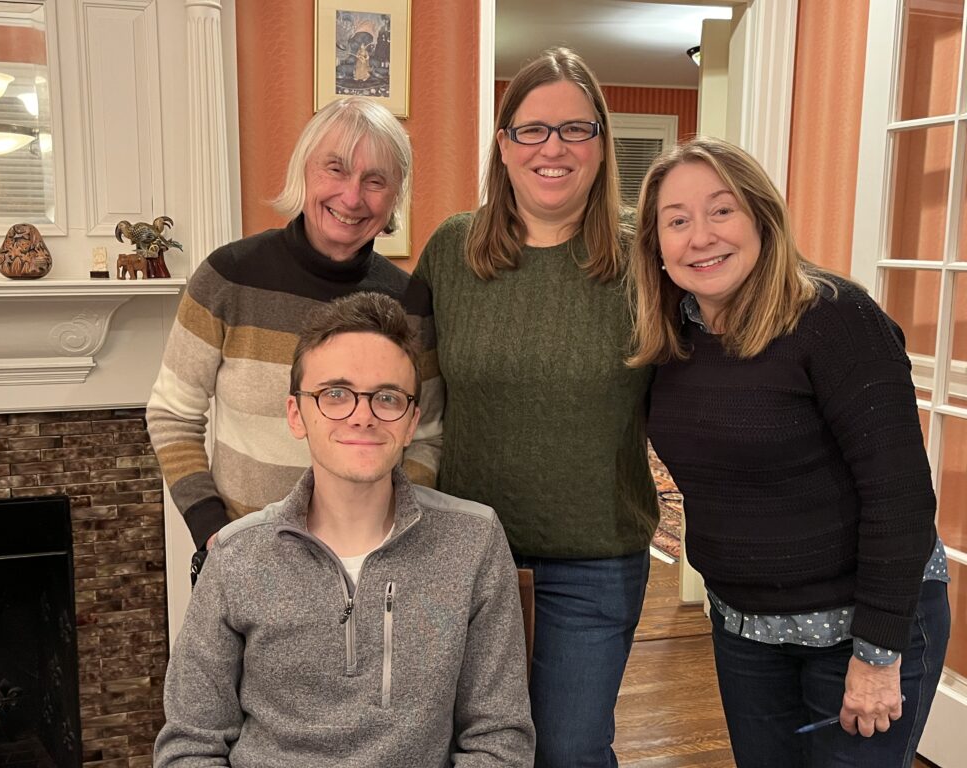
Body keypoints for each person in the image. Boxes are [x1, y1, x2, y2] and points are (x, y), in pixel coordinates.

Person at [628, 136, 950, 768]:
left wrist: (878, 655)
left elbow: (901, 494)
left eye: (723, 210)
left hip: (864, 626)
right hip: (745, 628)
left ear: (761, 219)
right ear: (656, 245)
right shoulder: (670, 341)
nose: (701, 237)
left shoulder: (833, 318)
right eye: (677, 220)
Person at [153, 292, 535, 767]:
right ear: (297, 415)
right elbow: (190, 746)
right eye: (335, 393)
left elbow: (499, 740)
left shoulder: (474, 541)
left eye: (387, 397)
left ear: (412, 421)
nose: (362, 414)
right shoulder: (235, 555)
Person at [413, 47, 659, 767]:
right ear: (503, 144)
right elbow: (401, 387)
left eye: (576, 129)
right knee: (466, 749)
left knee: (570, 753)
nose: (554, 147)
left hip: (596, 560)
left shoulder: (645, 258)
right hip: (463, 554)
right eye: (532, 129)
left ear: (602, 143)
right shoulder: (453, 250)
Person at [146, 96, 442, 565]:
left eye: (375, 180)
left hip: (370, 563)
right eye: (336, 170)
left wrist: (397, 531)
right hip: (242, 552)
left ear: (395, 196)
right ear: (303, 170)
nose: (352, 197)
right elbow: (172, 415)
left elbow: (425, 434)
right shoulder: (227, 277)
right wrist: (210, 529)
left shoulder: (411, 303)